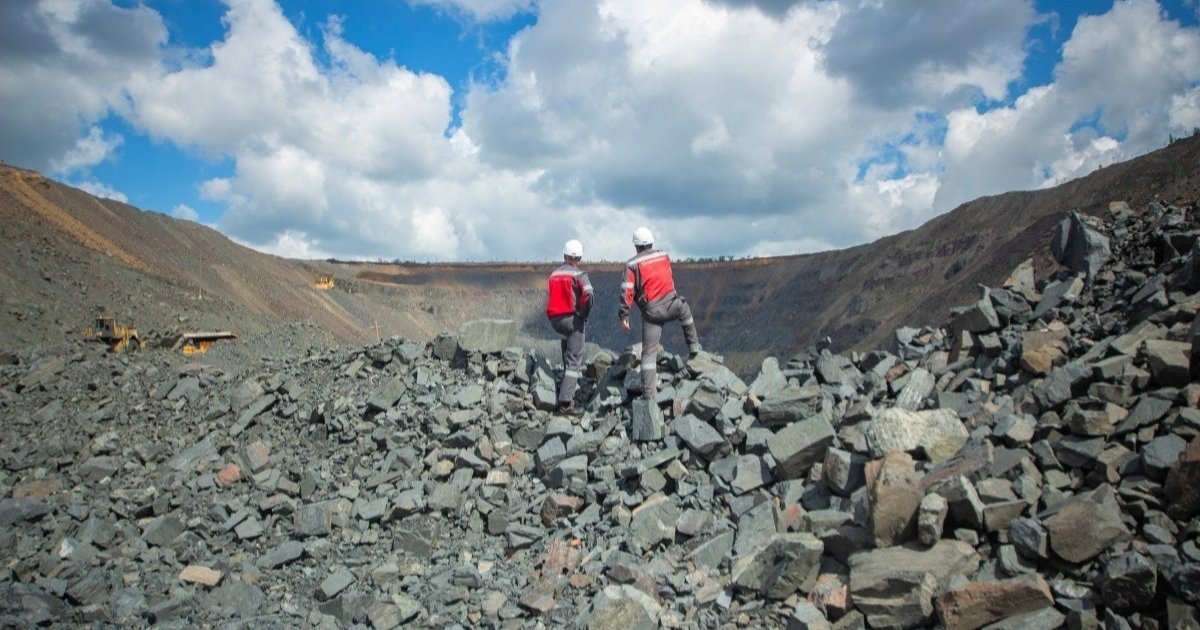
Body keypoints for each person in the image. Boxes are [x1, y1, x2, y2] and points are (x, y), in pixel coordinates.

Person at [618, 227, 702, 400]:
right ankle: (694, 347)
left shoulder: (632, 265)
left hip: (652, 313)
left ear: (636, 246)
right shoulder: (664, 256)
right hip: (672, 305)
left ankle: (649, 395)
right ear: (651, 242)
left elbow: (627, 291)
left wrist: (624, 315)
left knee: (648, 352)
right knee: (685, 309)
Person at [546, 239, 593, 416]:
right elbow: (588, 293)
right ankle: (565, 403)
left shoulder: (554, 274)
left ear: (565, 255)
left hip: (555, 321)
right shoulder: (579, 274)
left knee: (567, 352)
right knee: (574, 360)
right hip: (572, 320)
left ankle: (563, 391)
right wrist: (583, 312)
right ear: (579, 256)